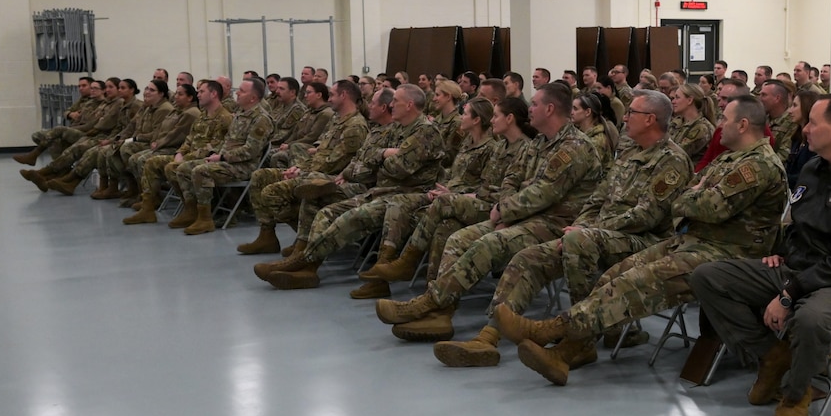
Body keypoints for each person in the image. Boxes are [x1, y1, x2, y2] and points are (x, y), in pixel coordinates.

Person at [503, 94, 788, 386]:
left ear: (742, 125)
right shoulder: (730, 159)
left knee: (636, 281)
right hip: (694, 243)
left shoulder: (757, 165)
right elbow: (692, 198)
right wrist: (695, 193)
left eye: (724, 119)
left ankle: (551, 330)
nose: (719, 125)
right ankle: (565, 353)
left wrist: (693, 194)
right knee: (614, 275)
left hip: (726, 257)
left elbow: (705, 208)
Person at [433, 89, 693, 367]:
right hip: (598, 235)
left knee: (578, 243)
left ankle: (579, 339)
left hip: (645, 241)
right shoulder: (629, 152)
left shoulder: (671, 160)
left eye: (632, 113)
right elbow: (597, 198)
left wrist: (589, 231)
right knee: (529, 259)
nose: (625, 117)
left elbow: (646, 216)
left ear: (650, 119)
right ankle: (488, 337)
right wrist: (581, 225)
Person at [691, 94, 831, 416]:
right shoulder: (814, 168)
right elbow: (798, 224)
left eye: (814, 123)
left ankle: (798, 391)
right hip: (798, 268)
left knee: (811, 317)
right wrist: (783, 253)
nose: (805, 129)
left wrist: (789, 293)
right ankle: (772, 356)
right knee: (708, 277)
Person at [373, 83, 602, 342]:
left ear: (550, 109)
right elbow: (512, 179)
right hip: (523, 217)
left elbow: (544, 192)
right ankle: (441, 313)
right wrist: (504, 213)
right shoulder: (538, 143)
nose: (530, 109)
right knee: (457, 238)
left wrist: (504, 211)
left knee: (489, 242)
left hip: (555, 223)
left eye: (535, 104)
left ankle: (439, 308)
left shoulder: (574, 147)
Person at [255, 84, 445, 288]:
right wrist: (382, 154)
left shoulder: (425, 131)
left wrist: (379, 157)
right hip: (380, 191)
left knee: (346, 219)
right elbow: (367, 159)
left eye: (395, 101)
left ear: (409, 105)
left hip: (406, 196)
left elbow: (398, 168)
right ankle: (307, 268)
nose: (391, 105)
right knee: (325, 213)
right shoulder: (396, 129)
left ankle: (302, 261)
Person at [366, 97, 537, 291]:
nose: (492, 120)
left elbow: (517, 192)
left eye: (496, 116)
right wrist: (466, 195)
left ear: (509, 119)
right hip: (481, 201)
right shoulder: (501, 146)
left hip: (496, 208)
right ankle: (433, 291)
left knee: (444, 203)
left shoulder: (526, 148)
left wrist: (465, 196)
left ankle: (408, 261)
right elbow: (485, 184)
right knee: (444, 227)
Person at [238, 80, 371, 255]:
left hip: (333, 178)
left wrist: (303, 172)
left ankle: (306, 238)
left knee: (273, 192)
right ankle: (267, 236)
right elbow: (319, 153)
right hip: (314, 171)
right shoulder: (337, 120)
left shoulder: (355, 126)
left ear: (344, 96)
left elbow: (336, 162)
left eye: (331, 95)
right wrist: (297, 167)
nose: (328, 99)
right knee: (260, 176)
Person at [168, 76, 274, 235]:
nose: (237, 93)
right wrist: (217, 154)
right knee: (183, 168)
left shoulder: (261, 119)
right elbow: (228, 141)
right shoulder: (240, 114)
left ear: (253, 98)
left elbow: (250, 151)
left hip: (243, 166)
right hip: (226, 161)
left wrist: (222, 157)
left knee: (200, 171)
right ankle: (192, 211)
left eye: (242, 91)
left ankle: (205, 219)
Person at [123, 80, 233, 225]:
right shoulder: (202, 115)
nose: (197, 94)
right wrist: (180, 153)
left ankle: (193, 210)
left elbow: (214, 147)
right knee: (152, 162)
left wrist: (185, 157)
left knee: (174, 167)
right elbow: (189, 139)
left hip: (205, 159)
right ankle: (148, 208)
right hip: (188, 156)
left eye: (201, 92)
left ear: (213, 94)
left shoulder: (224, 118)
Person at [669, 82, 716, 161]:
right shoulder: (678, 122)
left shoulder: (702, 128)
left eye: (677, 98)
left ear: (690, 100)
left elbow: (677, 154)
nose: (673, 102)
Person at [572, 91, 617, 169]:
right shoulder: (581, 133)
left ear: (588, 112)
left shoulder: (596, 141)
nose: (571, 112)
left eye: (575, 109)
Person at [784, 91, 820, 187]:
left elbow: (809, 176)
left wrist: (781, 179)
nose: (790, 111)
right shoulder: (797, 138)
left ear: (806, 107)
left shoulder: (816, 142)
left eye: (795, 106)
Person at [759, 80, 796, 161]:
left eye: (764, 95)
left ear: (777, 98)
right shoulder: (762, 119)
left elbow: (784, 155)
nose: (760, 98)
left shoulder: (792, 122)